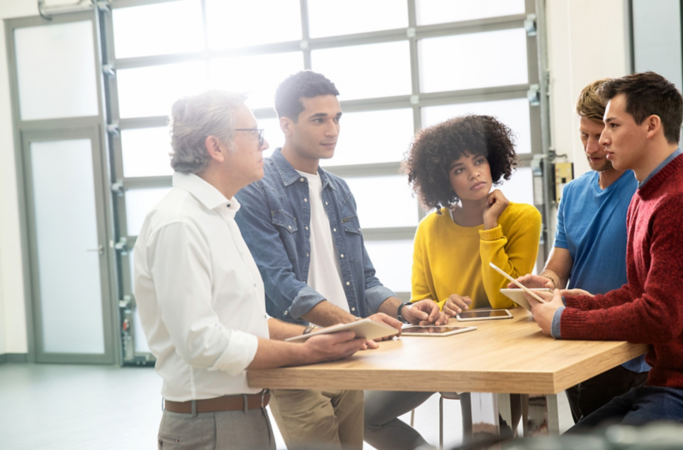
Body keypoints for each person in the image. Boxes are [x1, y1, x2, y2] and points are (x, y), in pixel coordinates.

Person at [520, 72, 683, 429]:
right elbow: (640, 292)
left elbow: (660, 317)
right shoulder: (647, 195)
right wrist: (574, 301)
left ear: (651, 126)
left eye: (611, 125)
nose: (601, 141)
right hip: (675, 383)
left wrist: (566, 321)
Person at [133, 90, 368, 450]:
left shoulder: (222, 216)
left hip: (246, 413)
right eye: (254, 134)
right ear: (216, 147)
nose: (265, 143)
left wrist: (310, 335)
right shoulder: (179, 223)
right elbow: (201, 341)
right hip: (210, 423)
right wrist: (308, 352)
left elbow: (248, 321)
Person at [234, 71, 445, 450]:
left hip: (348, 356)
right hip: (299, 358)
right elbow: (279, 286)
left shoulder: (339, 189)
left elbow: (363, 278)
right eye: (319, 119)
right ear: (286, 125)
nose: (332, 130)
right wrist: (357, 325)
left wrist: (404, 309)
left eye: (337, 119)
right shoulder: (256, 191)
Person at [364, 115, 542, 450]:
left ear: (493, 162)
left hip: (500, 356)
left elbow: (505, 300)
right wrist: (441, 307)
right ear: (443, 180)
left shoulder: (522, 218)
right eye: (459, 168)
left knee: (483, 432)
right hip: (442, 354)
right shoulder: (430, 229)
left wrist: (490, 226)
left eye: (479, 161)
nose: (474, 172)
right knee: (366, 416)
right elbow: (421, 302)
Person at [515, 79, 650, 423]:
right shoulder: (574, 193)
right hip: (578, 342)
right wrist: (543, 282)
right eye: (583, 136)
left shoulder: (644, 190)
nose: (591, 147)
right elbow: (558, 268)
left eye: (598, 135)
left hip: (631, 351)